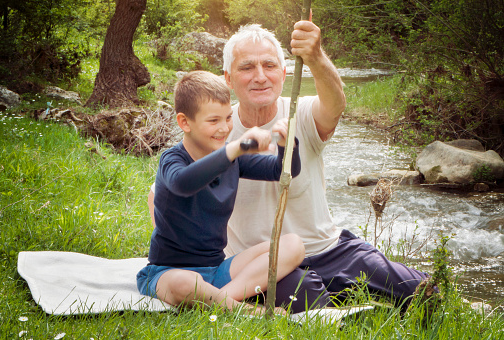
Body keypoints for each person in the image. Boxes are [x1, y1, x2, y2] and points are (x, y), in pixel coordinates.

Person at [149, 20, 429, 312]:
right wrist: (178, 259)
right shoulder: (215, 128)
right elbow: (162, 191)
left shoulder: (301, 111)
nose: (260, 77)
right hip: (261, 262)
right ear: (228, 78)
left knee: (419, 289)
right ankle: (240, 303)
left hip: (328, 249)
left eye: (269, 66)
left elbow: (335, 104)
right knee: (312, 304)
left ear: (284, 74)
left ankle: (365, 296)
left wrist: (316, 57)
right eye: (247, 68)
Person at [137, 70, 304, 314]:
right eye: (213, 121)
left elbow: (282, 172)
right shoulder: (172, 160)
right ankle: (245, 311)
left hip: (217, 271)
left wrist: (288, 146)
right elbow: (183, 183)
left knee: (294, 244)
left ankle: (220, 299)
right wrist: (237, 148)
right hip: (167, 272)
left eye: (227, 118)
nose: (224, 128)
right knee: (185, 283)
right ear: (185, 122)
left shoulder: (232, 158)